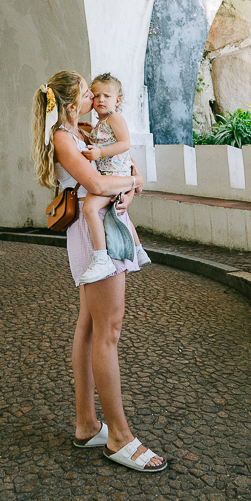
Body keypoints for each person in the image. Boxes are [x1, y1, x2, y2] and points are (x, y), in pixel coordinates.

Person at [32, 71, 167, 473]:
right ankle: (120, 437)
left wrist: (133, 180)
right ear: (72, 104)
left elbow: (124, 163)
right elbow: (95, 181)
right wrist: (132, 184)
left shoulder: (90, 131)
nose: (96, 96)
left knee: (90, 327)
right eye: (89, 93)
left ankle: (87, 424)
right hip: (95, 236)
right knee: (109, 330)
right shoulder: (63, 138)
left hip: (105, 225)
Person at [79, 72, 151, 283]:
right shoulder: (101, 123)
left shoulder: (115, 118)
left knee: (90, 208)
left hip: (114, 176)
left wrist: (99, 153)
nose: (101, 100)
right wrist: (90, 130)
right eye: (96, 95)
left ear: (117, 101)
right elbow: (105, 139)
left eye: (107, 96)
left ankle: (101, 258)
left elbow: (125, 144)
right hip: (111, 176)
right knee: (120, 214)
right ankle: (138, 250)